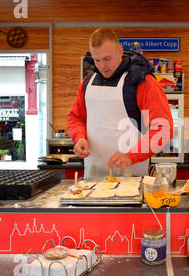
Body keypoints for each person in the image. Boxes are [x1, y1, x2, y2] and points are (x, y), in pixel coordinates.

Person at [67, 28, 173, 179]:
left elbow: (163, 128)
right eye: (97, 60)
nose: (102, 66)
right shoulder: (87, 82)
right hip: (93, 177)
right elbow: (75, 117)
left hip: (132, 177)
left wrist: (132, 155)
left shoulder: (143, 82)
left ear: (120, 51)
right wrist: (79, 138)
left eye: (107, 59)